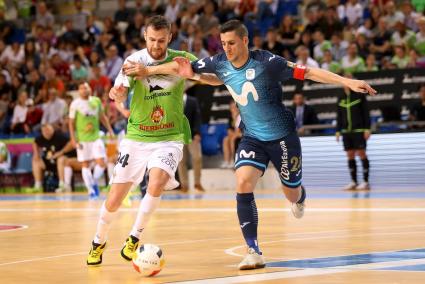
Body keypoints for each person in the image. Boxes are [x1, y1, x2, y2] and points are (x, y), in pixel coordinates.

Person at [141, 19, 376, 270]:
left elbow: (308, 72)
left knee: (291, 192)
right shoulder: (219, 61)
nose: (227, 49)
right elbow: (188, 69)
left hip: (283, 137)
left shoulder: (268, 63)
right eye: (223, 44)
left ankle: (299, 195)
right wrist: (151, 72)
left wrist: (347, 82)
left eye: (231, 43)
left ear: (245, 40)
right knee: (242, 182)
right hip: (252, 136)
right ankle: (253, 250)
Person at [85, 16, 220, 266]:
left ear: (169, 37)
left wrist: (199, 76)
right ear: (144, 36)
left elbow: (217, 78)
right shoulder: (133, 61)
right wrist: (117, 93)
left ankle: (134, 237)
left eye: (161, 40)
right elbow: (120, 91)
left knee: (156, 182)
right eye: (152, 40)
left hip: (169, 137)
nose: (156, 45)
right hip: (136, 136)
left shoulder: (181, 58)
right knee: (114, 199)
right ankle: (98, 241)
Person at [69, 82, 114, 199]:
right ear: (78, 91)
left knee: (102, 163)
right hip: (82, 139)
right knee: (85, 164)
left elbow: (102, 117)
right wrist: (73, 139)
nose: (84, 90)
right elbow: (71, 123)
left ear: (90, 89)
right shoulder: (75, 104)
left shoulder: (96, 101)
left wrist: (110, 130)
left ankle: (93, 182)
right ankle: (91, 191)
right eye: (81, 88)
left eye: (86, 87)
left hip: (96, 137)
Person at [336, 81, 371, 191]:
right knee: (350, 155)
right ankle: (353, 182)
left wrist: (367, 129)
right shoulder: (341, 98)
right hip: (346, 131)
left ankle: (365, 181)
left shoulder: (359, 96)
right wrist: (338, 131)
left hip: (359, 130)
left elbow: (366, 113)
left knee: (361, 153)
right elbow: (339, 116)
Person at [32, 124, 71, 192]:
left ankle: (62, 185)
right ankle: (38, 185)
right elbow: (35, 142)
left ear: (52, 130)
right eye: (44, 131)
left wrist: (60, 153)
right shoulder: (41, 138)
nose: (46, 132)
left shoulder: (60, 137)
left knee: (61, 159)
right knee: (35, 161)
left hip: (61, 163)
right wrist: (36, 153)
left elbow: (70, 143)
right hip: (48, 162)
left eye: (48, 130)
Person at [178, 93, 204, 192]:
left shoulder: (192, 100)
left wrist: (198, 132)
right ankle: (184, 185)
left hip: (192, 135)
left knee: (197, 157)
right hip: (179, 136)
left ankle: (197, 183)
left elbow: (197, 117)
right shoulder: (173, 98)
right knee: (181, 161)